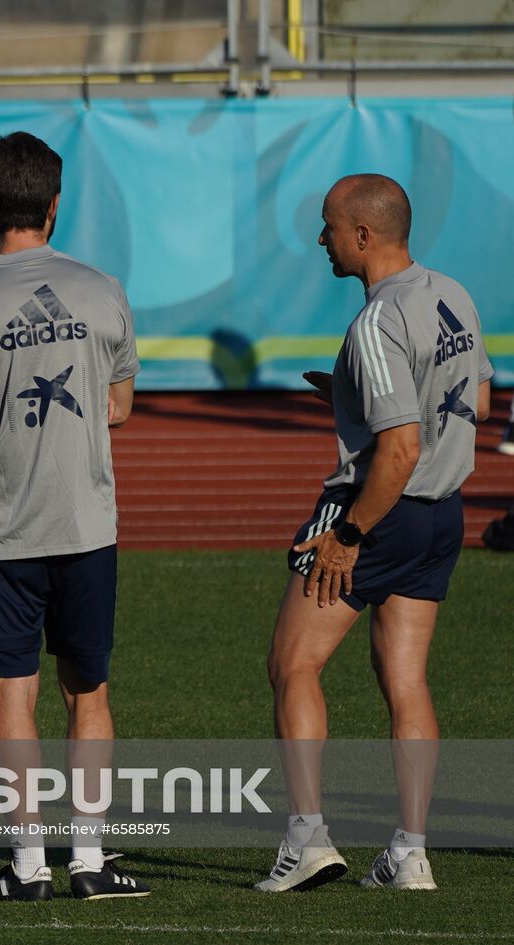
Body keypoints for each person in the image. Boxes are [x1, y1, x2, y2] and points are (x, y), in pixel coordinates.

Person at [0, 131, 148, 901]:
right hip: (87, 524)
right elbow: (118, 406)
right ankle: (90, 860)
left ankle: (26, 867)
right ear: (56, 206)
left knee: (11, 696)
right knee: (88, 692)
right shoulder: (102, 288)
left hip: (1, 532)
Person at [257, 174, 492, 893]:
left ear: (363, 235)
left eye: (328, 227)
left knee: (292, 665)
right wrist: (355, 393)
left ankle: (306, 841)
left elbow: (398, 452)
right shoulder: (453, 292)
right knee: (406, 680)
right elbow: (476, 398)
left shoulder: (376, 320)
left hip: (379, 511)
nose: (320, 240)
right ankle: (409, 852)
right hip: (441, 517)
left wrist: (348, 535)